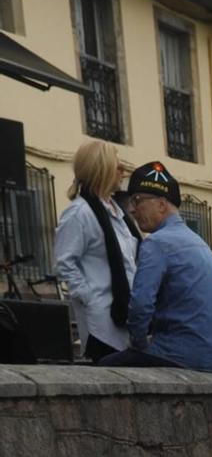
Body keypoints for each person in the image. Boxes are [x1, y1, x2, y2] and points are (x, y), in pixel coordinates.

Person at [98, 162, 212, 370]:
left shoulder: (156, 243)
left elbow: (140, 306)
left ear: (161, 205)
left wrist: (140, 344)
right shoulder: (199, 242)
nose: (132, 209)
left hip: (177, 356)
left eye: (137, 200)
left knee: (105, 367)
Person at [53, 138, 138, 360]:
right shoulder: (79, 213)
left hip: (126, 321)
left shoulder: (118, 213)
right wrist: (88, 297)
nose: (123, 171)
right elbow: (64, 263)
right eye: (118, 166)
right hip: (102, 325)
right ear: (102, 169)